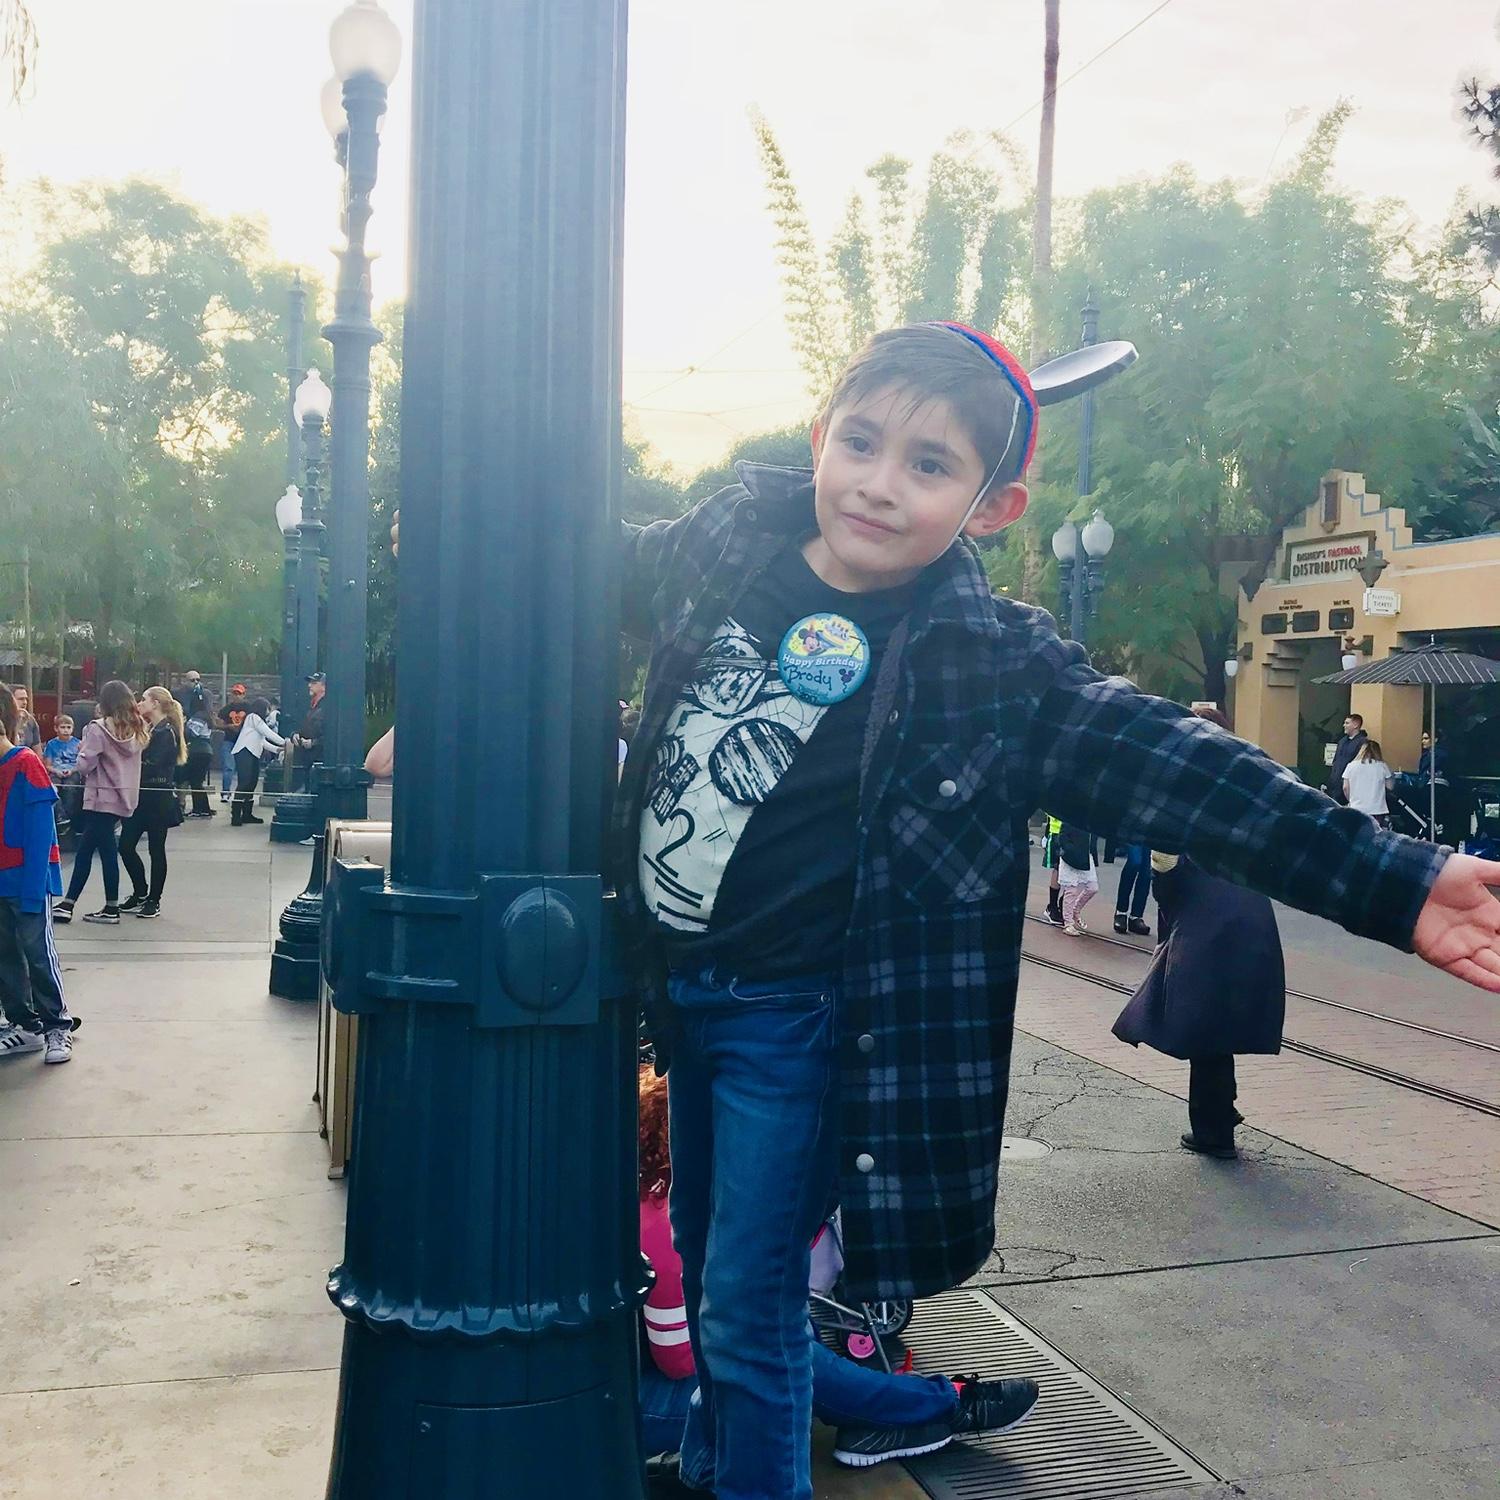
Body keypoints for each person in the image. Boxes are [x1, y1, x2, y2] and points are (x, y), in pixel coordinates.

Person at [614, 319, 1500, 1500]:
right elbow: (584, 561)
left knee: (750, 1307)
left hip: (800, 1020)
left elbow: (1179, 765)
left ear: (993, 507)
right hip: (676, 988)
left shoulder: (990, 662)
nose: (879, 484)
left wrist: (1394, 879)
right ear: (821, 436)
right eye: (862, 443)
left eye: (930, 465)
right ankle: (714, 1467)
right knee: (707, 1264)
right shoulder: (726, 539)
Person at [634, 1069, 1036, 1496]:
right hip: (641, 1407)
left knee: (779, 1341)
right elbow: (678, 1360)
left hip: (625, 1389)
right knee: (777, 1359)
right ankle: (939, 1405)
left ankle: (900, 1410)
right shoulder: (661, 1225)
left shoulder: (643, 1195)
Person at [1113, 711, 1286, 1158]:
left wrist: (1167, 906)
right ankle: (1221, 1113)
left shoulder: (1180, 781)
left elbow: (1165, 862)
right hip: (1250, 911)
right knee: (1219, 1025)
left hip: (1205, 915)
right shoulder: (1247, 777)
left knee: (1203, 1029)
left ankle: (1213, 1132)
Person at [0, 683, 73, 1064]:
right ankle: (24, 1024)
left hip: (26, 880)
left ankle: (57, 1025)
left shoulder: (26, 762)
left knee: (38, 953)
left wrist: (33, 890)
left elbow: (42, 834)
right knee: (5, 957)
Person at [53, 680, 146, 926]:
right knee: (100, 850)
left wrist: (82, 749)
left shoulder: (98, 728)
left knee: (93, 852)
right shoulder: (137, 728)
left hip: (100, 796)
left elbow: (85, 765)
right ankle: (75, 904)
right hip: (123, 796)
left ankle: (87, 906)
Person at [118, 687, 186, 918]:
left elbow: (154, 764)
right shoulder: (151, 729)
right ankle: (140, 891)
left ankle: (154, 899)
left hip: (158, 796)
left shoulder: (166, 732)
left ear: (155, 703)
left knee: (156, 849)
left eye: (144, 699)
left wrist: (130, 762)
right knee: (126, 846)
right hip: (142, 795)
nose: (140, 703)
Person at [230, 697, 286, 826]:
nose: (268, 711)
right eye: (267, 708)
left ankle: (247, 814)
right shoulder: (253, 717)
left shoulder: (256, 721)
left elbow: (262, 741)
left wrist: (277, 749)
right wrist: (284, 742)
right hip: (244, 752)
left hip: (252, 753)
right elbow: (267, 733)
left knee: (251, 783)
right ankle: (236, 816)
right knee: (244, 783)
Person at [1055, 822, 1098, 936]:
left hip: (1085, 856)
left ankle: (1075, 910)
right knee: (1071, 890)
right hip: (1071, 856)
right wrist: (1070, 849)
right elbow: (1063, 836)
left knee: (1093, 887)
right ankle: (1068, 923)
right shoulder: (1072, 817)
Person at [1342, 738, 1394, 828]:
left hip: (1356, 808)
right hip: (1377, 809)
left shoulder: (1351, 766)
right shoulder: (1382, 766)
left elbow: (1345, 787)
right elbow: (1390, 787)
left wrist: (1350, 800)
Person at [290, 672, 327, 790]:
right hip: (308, 762)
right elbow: (302, 728)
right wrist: (295, 735)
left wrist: (313, 743)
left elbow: (331, 736)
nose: (309, 685)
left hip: (319, 763)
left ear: (323, 686)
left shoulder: (328, 707)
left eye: (314, 683)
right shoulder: (311, 707)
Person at [182, 701, 216, 817]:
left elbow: (192, 733)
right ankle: (204, 808)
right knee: (197, 782)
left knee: (195, 782)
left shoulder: (198, 717)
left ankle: (198, 809)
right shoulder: (206, 717)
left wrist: (183, 725)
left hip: (198, 752)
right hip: (205, 751)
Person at [1324, 712, 1367, 803]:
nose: (1344, 725)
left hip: (1351, 785)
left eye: (1347, 723)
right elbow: (1336, 761)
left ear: (1355, 725)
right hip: (1335, 784)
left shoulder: (1363, 743)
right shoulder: (1342, 741)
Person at [1112, 842, 1153, 936]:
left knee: (1146, 871)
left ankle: (1136, 916)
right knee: (1135, 861)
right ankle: (1121, 911)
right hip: (1135, 834)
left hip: (1153, 835)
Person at [217, 684, 249, 801]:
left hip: (244, 742)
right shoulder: (226, 709)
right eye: (235, 693)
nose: (236, 696)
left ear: (244, 695)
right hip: (229, 740)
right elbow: (218, 724)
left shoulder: (249, 708)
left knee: (243, 769)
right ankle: (226, 792)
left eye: (239, 694)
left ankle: (242, 794)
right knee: (228, 767)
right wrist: (228, 726)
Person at [1040, 811, 1064, 925]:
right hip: (1057, 832)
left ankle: (1062, 904)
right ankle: (1052, 907)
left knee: (1074, 871)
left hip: (1075, 833)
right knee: (1058, 868)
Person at [11, 685, 40, 749]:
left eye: (26, 699)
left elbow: (37, 749)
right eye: (21, 699)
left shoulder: (31, 721)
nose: (25, 702)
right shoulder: (3, 721)